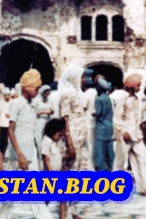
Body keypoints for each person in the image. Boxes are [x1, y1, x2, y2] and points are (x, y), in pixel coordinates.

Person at [0, 69, 53, 219]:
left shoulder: (31, 105)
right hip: (18, 156)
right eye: (36, 89)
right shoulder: (16, 104)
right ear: (28, 88)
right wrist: (19, 154)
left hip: (30, 154)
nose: (37, 92)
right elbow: (10, 131)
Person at [113, 73, 146, 196]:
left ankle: (144, 188)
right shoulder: (122, 99)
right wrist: (123, 131)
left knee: (142, 159)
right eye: (138, 85)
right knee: (120, 162)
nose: (139, 88)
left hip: (136, 135)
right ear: (132, 86)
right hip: (125, 135)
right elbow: (117, 117)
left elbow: (139, 114)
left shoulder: (137, 98)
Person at [59, 65, 92, 219]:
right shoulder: (67, 94)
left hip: (80, 140)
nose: (84, 80)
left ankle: (73, 210)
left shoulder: (77, 93)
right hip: (71, 139)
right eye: (82, 77)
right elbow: (64, 117)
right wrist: (69, 142)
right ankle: (64, 212)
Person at [41, 118, 70, 219]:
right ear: (52, 131)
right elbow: (46, 160)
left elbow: (58, 158)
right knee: (46, 198)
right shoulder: (46, 142)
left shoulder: (56, 143)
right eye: (59, 135)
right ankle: (41, 214)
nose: (59, 137)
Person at [94, 77, 114, 171]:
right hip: (109, 126)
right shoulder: (108, 98)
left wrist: (93, 114)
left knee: (100, 152)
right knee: (109, 151)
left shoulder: (99, 99)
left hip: (101, 128)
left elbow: (98, 113)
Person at [33, 84, 53, 157]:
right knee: (39, 137)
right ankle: (39, 154)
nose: (47, 95)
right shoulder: (36, 100)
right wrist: (43, 112)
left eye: (48, 94)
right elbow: (33, 111)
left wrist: (42, 112)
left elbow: (52, 111)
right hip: (39, 122)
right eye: (46, 94)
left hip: (47, 121)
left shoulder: (48, 101)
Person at [81, 77, 97, 165]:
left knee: (89, 144)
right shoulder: (96, 92)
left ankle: (91, 164)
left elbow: (83, 107)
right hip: (96, 122)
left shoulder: (86, 94)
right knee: (95, 144)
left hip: (88, 122)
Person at [0, 88, 11, 156]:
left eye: (9, 95)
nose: (8, 96)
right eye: (7, 95)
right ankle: (0, 154)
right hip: (2, 124)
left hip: (9, 124)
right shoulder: (1, 103)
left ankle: (5, 154)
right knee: (1, 141)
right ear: (4, 96)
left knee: (7, 141)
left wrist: (10, 115)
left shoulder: (12, 102)